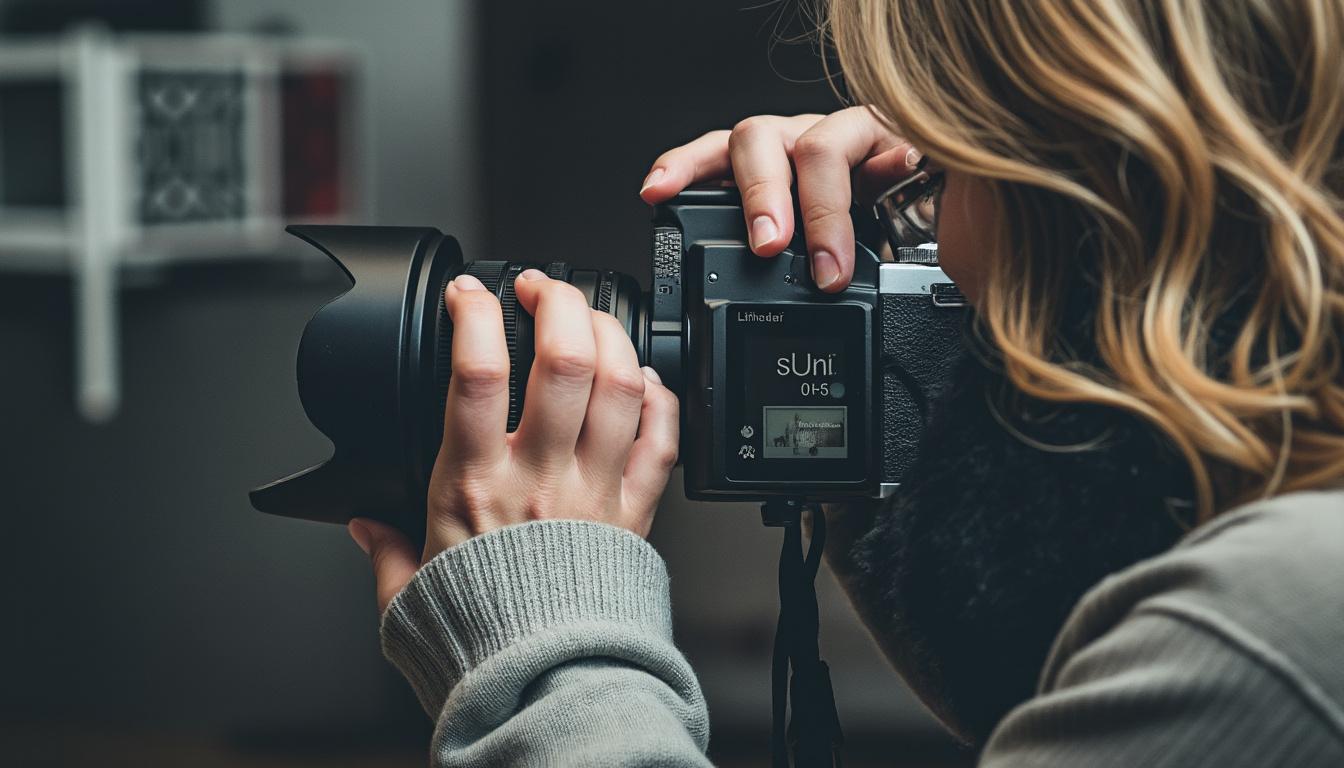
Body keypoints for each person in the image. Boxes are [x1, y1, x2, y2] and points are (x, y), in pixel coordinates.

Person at [344, 1, 1344, 765]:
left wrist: (547, 641)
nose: (933, 225)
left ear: (1073, 187)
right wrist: (864, 431)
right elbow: (1085, 700)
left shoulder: (1274, 622)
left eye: (945, 170)